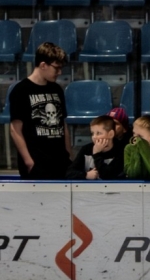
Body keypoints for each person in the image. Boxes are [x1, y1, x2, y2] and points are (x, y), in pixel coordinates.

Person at [8, 42, 71, 179]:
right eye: (56, 68)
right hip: (37, 161)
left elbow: (62, 123)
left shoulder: (56, 89)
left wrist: (68, 153)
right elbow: (15, 129)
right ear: (43, 65)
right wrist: (29, 162)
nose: (59, 72)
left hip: (59, 160)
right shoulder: (21, 90)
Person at [66, 115, 123, 180]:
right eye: (92, 133)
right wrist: (86, 175)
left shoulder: (120, 151)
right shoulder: (86, 150)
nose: (94, 137)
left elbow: (108, 176)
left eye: (98, 133)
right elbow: (70, 173)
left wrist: (96, 154)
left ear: (110, 134)